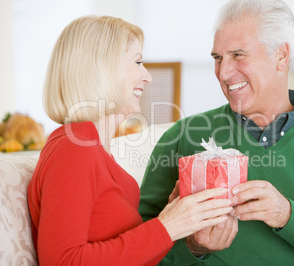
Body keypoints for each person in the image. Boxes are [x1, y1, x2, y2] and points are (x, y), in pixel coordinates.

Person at [138, 0, 294, 265]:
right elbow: (134, 251)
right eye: (218, 58)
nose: (223, 73)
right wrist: (193, 247)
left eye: (238, 55)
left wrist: (288, 216)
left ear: (280, 56)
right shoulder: (182, 138)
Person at [27, 15, 234, 265]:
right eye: (137, 62)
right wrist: (167, 227)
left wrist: (172, 220)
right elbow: (62, 261)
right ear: (102, 68)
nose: (148, 77)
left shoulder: (92, 148)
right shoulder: (74, 148)